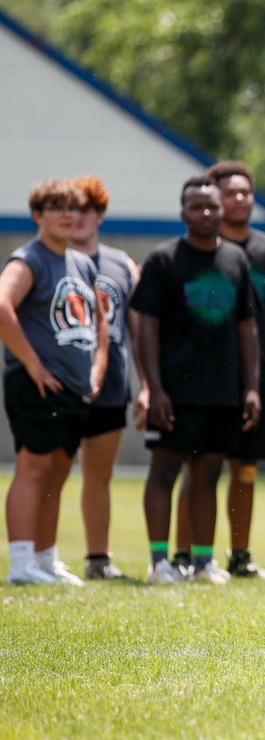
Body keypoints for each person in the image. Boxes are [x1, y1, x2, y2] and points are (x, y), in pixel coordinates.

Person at [131, 176, 260, 585]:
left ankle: (203, 563)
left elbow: (247, 328)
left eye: (211, 206)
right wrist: (153, 387)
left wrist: (252, 386)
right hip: (174, 390)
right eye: (196, 207)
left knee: (208, 475)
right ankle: (159, 563)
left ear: (221, 209)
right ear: (182, 212)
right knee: (165, 472)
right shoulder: (163, 260)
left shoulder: (236, 260)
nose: (205, 213)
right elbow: (145, 328)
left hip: (222, 389)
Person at [173, 161, 265, 579]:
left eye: (246, 193)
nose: (239, 200)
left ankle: (239, 555)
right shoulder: (199, 250)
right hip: (205, 373)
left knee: (245, 466)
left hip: (255, 373)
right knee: (198, 464)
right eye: (230, 193)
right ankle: (184, 555)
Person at [1, 179, 107, 585]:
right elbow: (2, 305)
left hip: (73, 387)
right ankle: (21, 563)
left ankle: (45, 560)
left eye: (74, 207)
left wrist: (97, 368)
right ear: (37, 216)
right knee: (34, 468)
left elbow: (97, 321)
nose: (68, 214)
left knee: (60, 470)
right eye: (56, 206)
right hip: (37, 384)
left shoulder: (81, 262)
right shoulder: (28, 260)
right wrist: (32, 364)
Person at [69, 176, 145, 580]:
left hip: (112, 383)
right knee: (48, 470)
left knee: (99, 474)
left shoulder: (121, 264)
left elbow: (137, 330)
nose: (79, 217)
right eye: (72, 209)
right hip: (60, 382)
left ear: (100, 214)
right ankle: (36, 556)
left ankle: (98, 559)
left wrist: (147, 385)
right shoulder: (50, 258)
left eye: (88, 209)